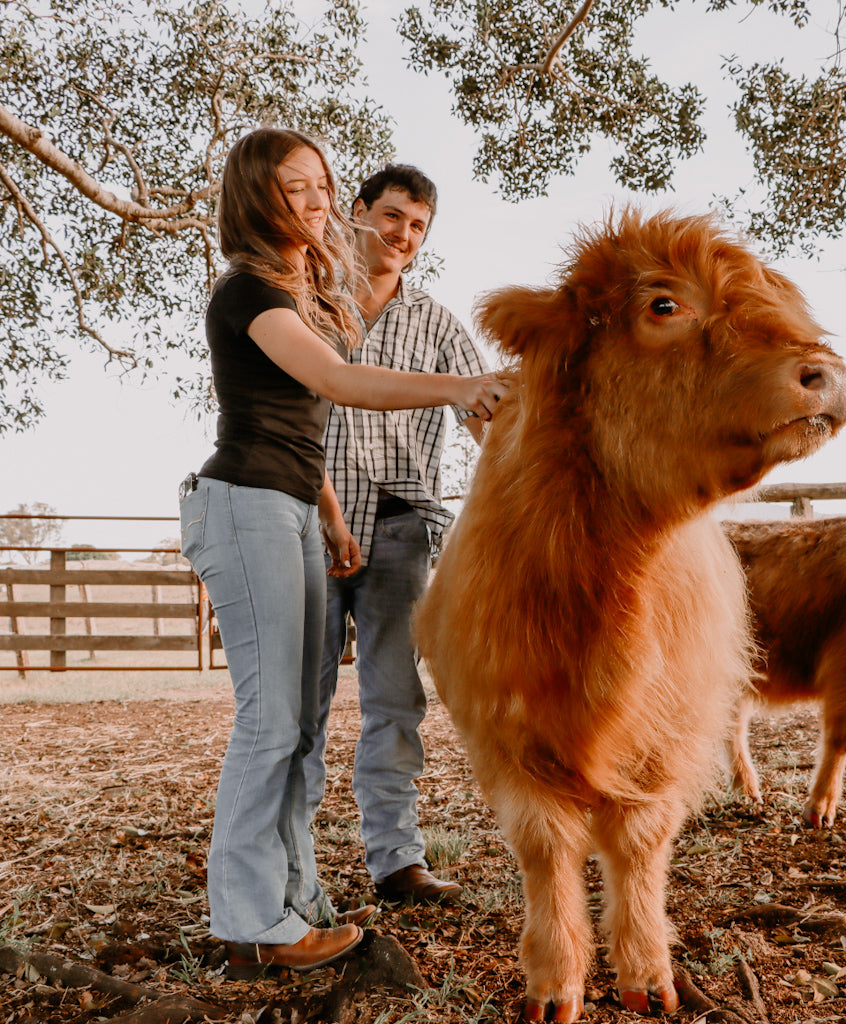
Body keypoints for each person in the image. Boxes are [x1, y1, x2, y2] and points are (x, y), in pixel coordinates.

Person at [178, 130, 506, 974]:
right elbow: (337, 384)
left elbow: (300, 428)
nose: (317, 201)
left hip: (293, 508)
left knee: (298, 724)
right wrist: (457, 388)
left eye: (322, 184)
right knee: (276, 722)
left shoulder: (300, 287)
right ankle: (251, 920)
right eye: (299, 188)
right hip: (245, 505)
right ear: (257, 195)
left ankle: (294, 897)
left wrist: (326, 512)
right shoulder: (251, 290)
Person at [303, 165, 486, 904]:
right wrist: (324, 516)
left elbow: (485, 416)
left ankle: (397, 861)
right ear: (355, 213)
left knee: (394, 700)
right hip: (306, 525)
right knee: (295, 704)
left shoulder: (438, 323)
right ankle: (290, 868)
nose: (402, 236)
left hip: (402, 528)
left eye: (417, 227)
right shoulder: (307, 303)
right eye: (392, 216)